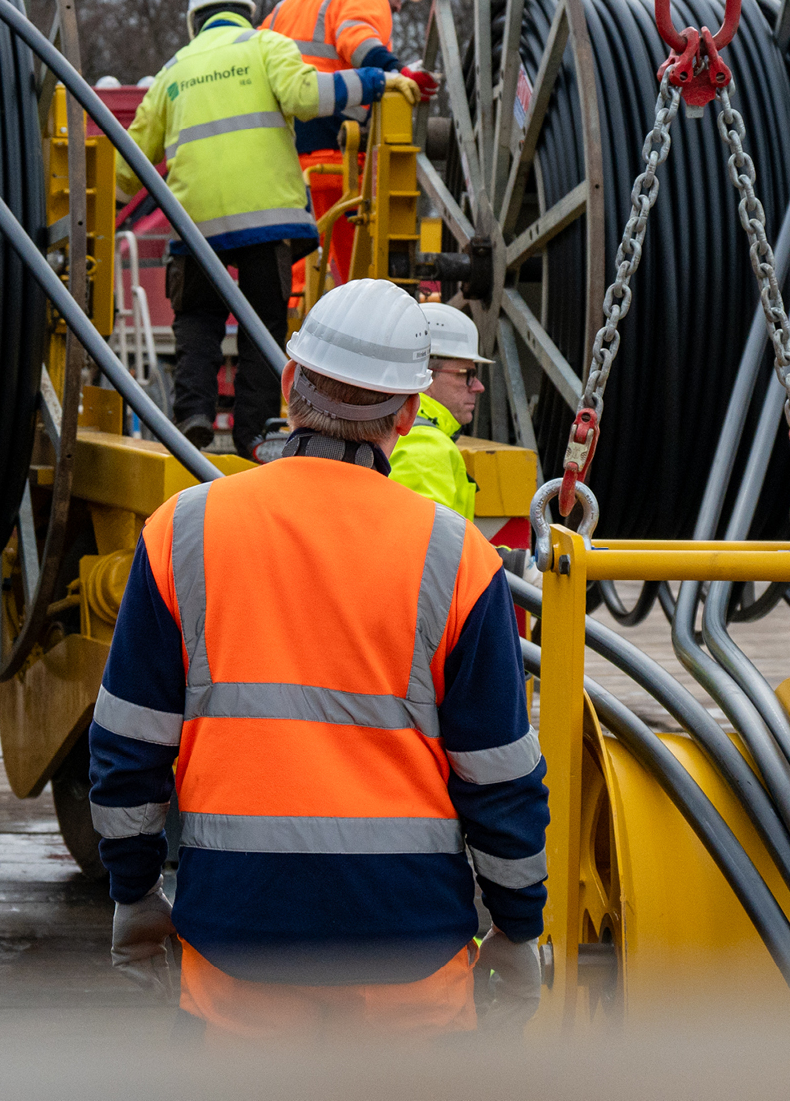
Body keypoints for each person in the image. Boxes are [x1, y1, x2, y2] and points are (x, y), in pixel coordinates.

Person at [87, 278, 549, 1038]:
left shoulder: (184, 533)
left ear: (293, 382)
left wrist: (135, 894)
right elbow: (499, 775)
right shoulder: (456, 557)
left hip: (236, 953)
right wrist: (517, 925)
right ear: (407, 414)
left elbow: (126, 748)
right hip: (411, 960)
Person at [117, 0, 420, 461]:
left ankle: (193, 414)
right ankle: (252, 436)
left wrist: (91, 207)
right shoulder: (265, 45)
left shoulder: (174, 71)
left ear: (195, 21)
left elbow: (128, 165)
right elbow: (306, 95)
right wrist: (377, 81)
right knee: (263, 326)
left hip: (196, 228)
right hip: (268, 223)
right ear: (246, 10)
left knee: (197, 320)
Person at [261, 0, 439, 282]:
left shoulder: (287, 5)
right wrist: (400, 73)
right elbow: (356, 38)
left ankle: (285, 335)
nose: (398, 6)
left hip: (285, 161)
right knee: (360, 278)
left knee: (295, 275)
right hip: (338, 158)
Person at [389, 303, 492, 520]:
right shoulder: (425, 446)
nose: (478, 386)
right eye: (466, 374)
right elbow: (430, 546)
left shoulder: (397, 428)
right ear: (424, 374)